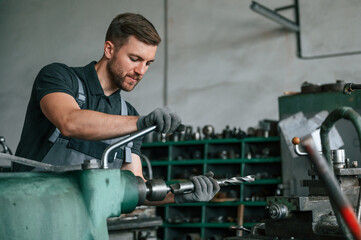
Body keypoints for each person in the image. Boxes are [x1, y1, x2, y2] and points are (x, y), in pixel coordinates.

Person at [14, 13, 219, 205]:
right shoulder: (59, 77)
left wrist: (180, 195)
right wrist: (141, 123)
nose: (141, 71)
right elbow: (69, 121)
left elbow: (137, 188)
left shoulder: (128, 114)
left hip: (83, 224)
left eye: (148, 63)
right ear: (109, 49)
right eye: (135, 59)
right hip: (29, 213)